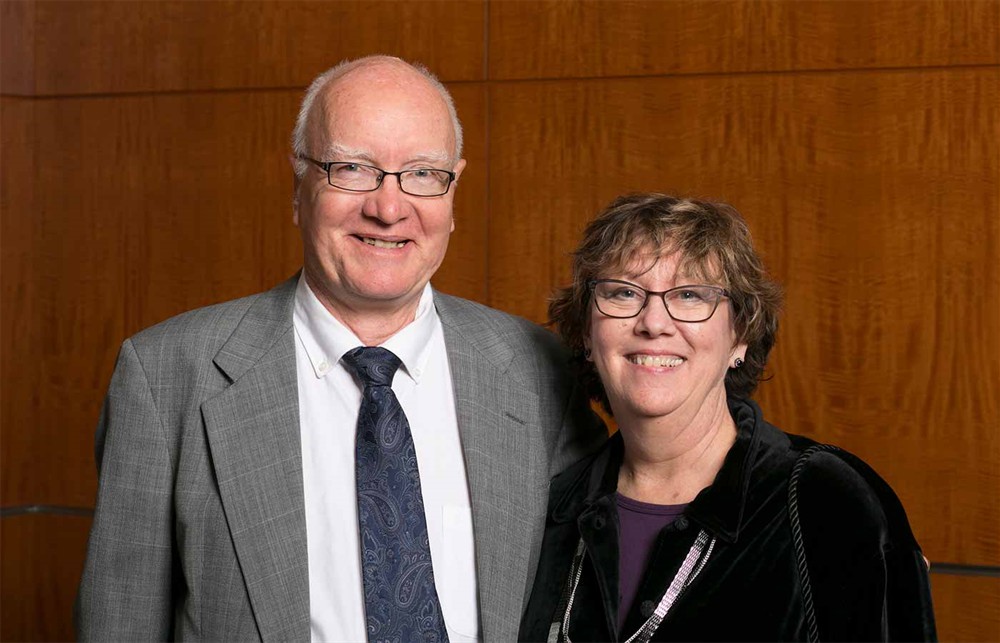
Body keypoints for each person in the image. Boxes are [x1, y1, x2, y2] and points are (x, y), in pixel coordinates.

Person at [76, 56, 605, 642]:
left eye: (422, 173)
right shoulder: (165, 377)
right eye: (352, 169)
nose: (387, 206)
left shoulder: (539, 371)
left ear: (453, 191)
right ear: (298, 185)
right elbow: (119, 622)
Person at [519, 194, 936, 642]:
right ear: (586, 331)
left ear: (741, 334)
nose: (654, 322)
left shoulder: (823, 498)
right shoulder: (550, 506)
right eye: (623, 293)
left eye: (691, 295)